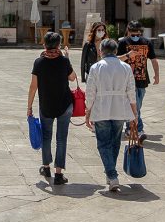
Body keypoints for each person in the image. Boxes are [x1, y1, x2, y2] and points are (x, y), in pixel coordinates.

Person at [85, 38, 137, 192]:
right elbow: (131, 92)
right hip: (120, 108)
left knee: (103, 143)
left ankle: (112, 174)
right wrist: (135, 113)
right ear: (116, 51)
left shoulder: (96, 67)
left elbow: (90, 92)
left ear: (101, 51)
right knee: (114, 142)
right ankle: (110, 172)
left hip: (101, 108)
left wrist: (88, 111)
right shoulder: (126, 67)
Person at [27, 31, 77, 185]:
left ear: (44, 45)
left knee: (46, 137)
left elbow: (33, 87)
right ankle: (59, 173)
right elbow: (73, 77)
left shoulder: (39, 62)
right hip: (64, 104)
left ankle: (46, 167)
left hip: (46, 105)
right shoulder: (63, 61)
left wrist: (29, 107)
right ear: (59, 45)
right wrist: (67, 57)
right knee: (61, 138)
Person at [116, 21, 159, 141]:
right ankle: (137, 129)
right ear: (128, 32)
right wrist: (128, 55)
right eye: (133, 34)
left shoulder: (147, 42)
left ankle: (130, 128)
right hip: (127, 79)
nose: (135, 36)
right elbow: (116, 59)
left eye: (137, 34)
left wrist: (157, 75)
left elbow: (154, 59)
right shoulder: (123, 42)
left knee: (137, 105)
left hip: (142, 79)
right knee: (133, 105)